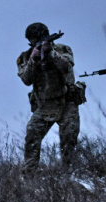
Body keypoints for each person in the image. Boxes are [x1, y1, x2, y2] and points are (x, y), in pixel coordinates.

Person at [17, 22, 86, 173]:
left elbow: (67, 68)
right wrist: (33, 60)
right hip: (44, 105)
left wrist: (51, 53)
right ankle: (29, 175)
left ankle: (70, 173)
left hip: (66, 101)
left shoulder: (62, 49)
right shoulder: (26, 56)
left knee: (69, 138)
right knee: (32, 137)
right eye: (33, 40)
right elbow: (26, 80)